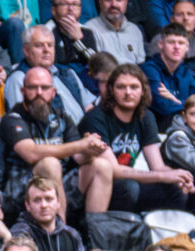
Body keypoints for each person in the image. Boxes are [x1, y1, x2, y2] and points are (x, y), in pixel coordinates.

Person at [0, 66, 113, 216]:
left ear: (53, 93)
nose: (39, 93)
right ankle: (60, 233)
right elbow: (30, 153)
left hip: (58, 188)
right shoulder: (12, 119)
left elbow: (78, 157)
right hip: (17, 193)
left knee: (102, 165)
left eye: (44, 88)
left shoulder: (62, 118)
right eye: (33, 88)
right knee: (50, 164)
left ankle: (95, 235)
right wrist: (80, 145)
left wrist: (90, 150)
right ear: (23, 92)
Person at [79, 63, 193, 212]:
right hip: (96, 186)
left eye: (134, 87)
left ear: (143, 91)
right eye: (121, 87)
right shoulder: (95, 118)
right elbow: (114, 170)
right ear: (111, 90)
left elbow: (157, 166)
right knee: (129, 187)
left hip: (128, 183)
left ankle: (171, 233)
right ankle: (116, 231)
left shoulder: (145, 117)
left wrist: (180, 178)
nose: (128, 93)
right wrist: (162, 176)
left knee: (176, 188)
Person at [9, 176, 86, 251]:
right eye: (37, 200)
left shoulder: (72, 235)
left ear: (58, 202)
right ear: (28, 205)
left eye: (48, 199)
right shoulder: (21, 234)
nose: (44, 205)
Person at [141, 22, 195, 131]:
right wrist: (185, 104)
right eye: (171, 42)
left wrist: (175, 100)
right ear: (161, 44)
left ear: (187, 47)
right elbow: (162, 107)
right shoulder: (149, 69)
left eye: (181, 43)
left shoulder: (186, 72)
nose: (176, 47)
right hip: (157, 131)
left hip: (184, 130)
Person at [46, 0, 99, 89]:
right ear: (53, 10)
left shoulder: (87, 31)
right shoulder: (46, 32)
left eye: (75, 4)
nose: (70, 8)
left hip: (87, 83)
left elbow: (96, 64)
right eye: (65, 4)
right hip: (58, 83)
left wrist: (79, 40)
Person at [85, 0, 144, 65]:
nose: (114, 4)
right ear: (100, 2)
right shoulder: (89, 29)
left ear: (126, 2)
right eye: (108, 0)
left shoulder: (134, 30)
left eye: (119, 0)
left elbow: (140, 65)